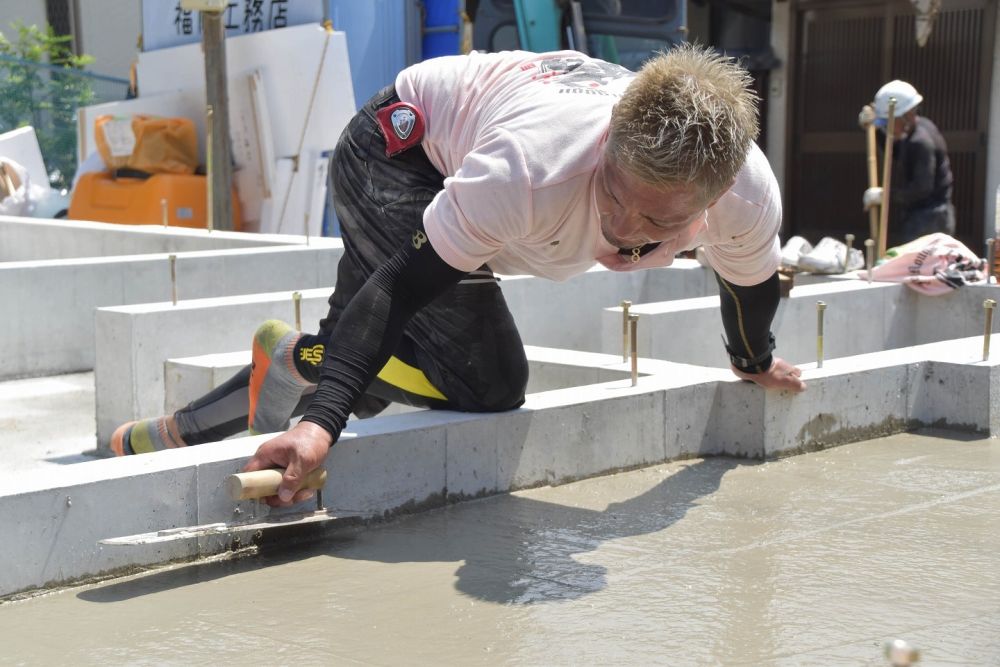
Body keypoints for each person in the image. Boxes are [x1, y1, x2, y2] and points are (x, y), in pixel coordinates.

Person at [111, 44, 806, 504]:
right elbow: (401, 288)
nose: (623, 229)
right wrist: (322, 426)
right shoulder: (531, 168)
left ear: (713, 202)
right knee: (488, 382)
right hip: (400, 153)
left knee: (369, 378)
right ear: (609, 143)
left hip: (472, 162)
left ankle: (215, 404)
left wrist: (754, 360)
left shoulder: (745, 199)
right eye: (613, 192)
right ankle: (300, 373)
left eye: (656, 223)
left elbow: (749, 287)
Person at [862, 79, 955, 246]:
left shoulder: (921, 142)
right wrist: (873, 129)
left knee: (918, 269)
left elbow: (921, 189)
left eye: (887, 122)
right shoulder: (917, 129)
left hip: (930, 219)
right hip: (924, 215)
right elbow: (897, 151)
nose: (886, 128)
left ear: (905, 115)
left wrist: (884, 195)